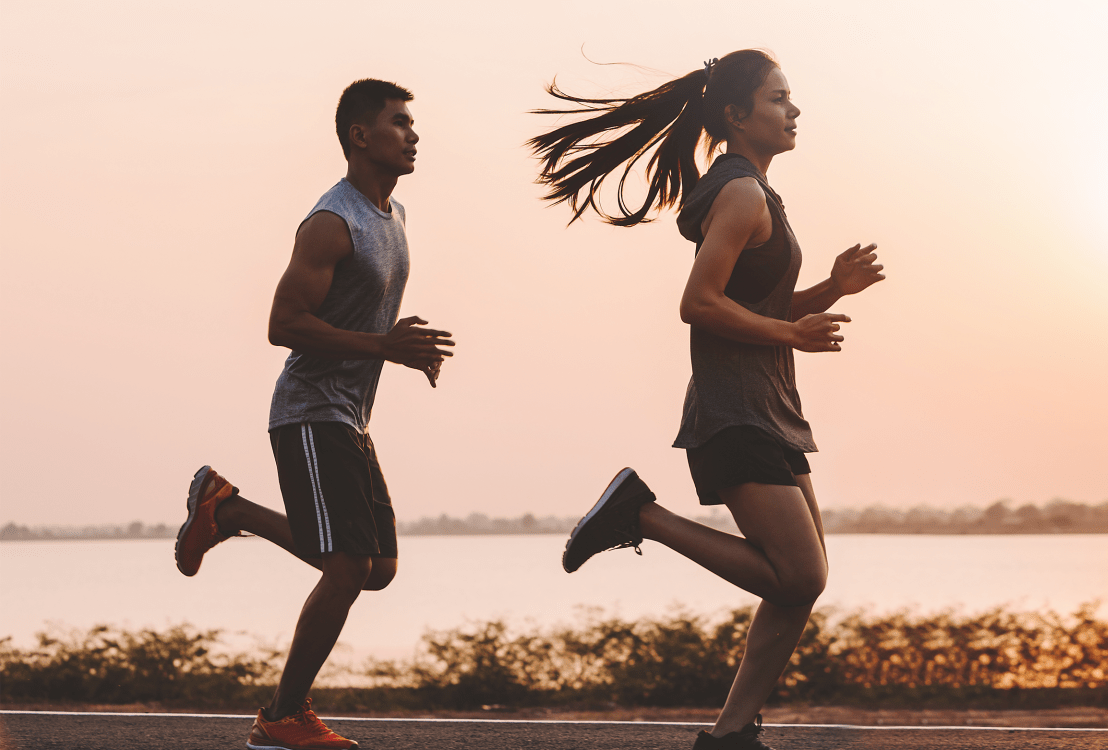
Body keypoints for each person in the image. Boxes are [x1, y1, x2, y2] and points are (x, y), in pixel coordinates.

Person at [530, 50, 884, 749]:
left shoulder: (753, 191)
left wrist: (831, 290)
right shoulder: (742, 194)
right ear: (735, 114)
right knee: (800, 573)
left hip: (772, 407)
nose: (794, 110)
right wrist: (791, 329)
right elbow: (699, 304)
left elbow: (759, 302)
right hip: (736, 410)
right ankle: (643, 515)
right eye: (779, 98)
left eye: (792, 98)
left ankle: (731, 734)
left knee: (800, 582)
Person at [173, 78, 454, 750]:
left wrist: (396, 341)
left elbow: (357, 315)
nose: (413, 134)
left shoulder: (396, 217)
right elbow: (283, 323)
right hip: (308, 411)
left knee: (376, 566)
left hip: (349, 417)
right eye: (398, 123)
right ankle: (282, 715)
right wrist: (384, 346)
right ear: (361, 136)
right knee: (349, 566)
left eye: (413, 124)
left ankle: (230, 510)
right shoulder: (332, 223)